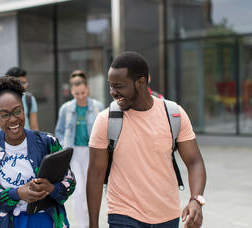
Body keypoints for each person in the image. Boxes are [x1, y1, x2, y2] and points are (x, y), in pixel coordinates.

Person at [87, 51, 206, 228]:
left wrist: (196, 200)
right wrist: (93, 224)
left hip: (167, 216)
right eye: (110, 86)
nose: (113, 92)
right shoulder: (106, 120)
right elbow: (96, 173)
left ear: (141, 82)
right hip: (123, 214)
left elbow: (195, 161)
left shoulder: (173, 114)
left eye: (119, 86)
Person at [0, 76, 76, 228]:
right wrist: (16, 194)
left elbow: (70, 181)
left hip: (47, 220)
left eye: (18, 111)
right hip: (9, 223)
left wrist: (52, 188)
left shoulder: (47, 142)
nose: (13, 119)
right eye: (4, 115)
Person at [54, 70, 103, 228]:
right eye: (77, 94)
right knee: (79, 191)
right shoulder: (66, 109)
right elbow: (59, 131)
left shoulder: (97, 107)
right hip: (73, 153)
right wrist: (63, 146)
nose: (80, 96)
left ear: (87, 89)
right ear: (72, 91)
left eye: (83, 92)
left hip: (92, 152)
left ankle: (92, 222)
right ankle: (83, 225)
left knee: (92, 189)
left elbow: (103, 130)